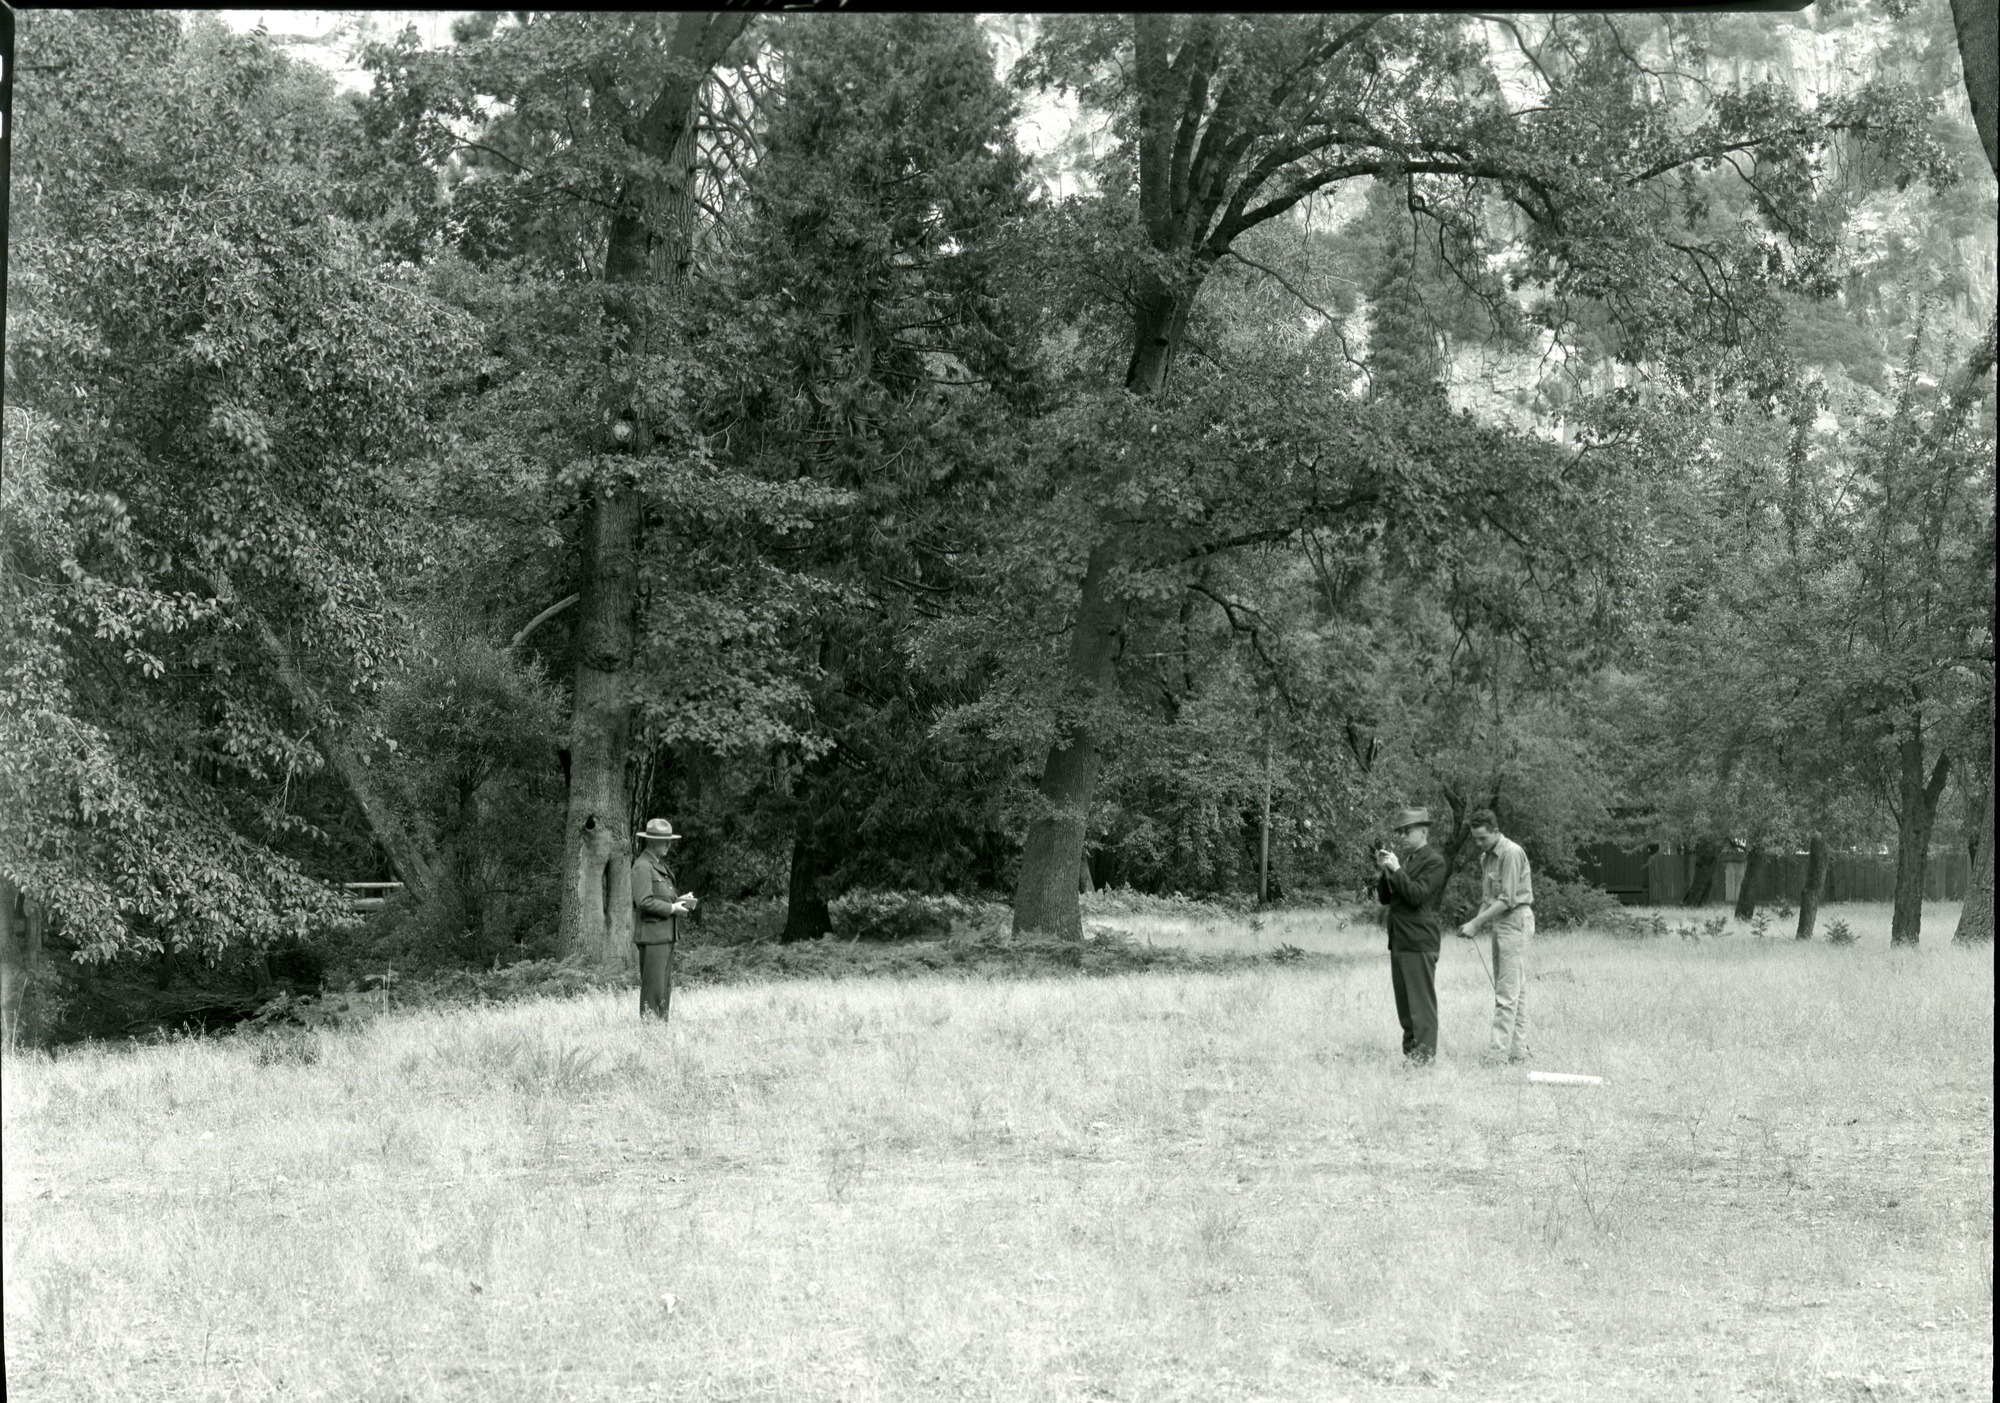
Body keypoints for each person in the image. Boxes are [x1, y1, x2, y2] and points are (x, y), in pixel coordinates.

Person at [1456, 809, 1534, 1065]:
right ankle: (1518, 1052)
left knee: (1506, 992)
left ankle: (1497, 1056)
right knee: (1513, 990)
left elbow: (1508, 899)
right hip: (1499, 922)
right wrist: (1475, 925)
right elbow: (1487, 899)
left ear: (1495, 830)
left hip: (1515, 921)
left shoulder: (1511, 853)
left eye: (1482, 838)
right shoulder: (1486, 857)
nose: (1478, 844)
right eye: (1475, 839)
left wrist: (1477, 923)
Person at [1375, 805, 1448, 1064]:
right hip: (1400, 940)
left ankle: (1425, 1061)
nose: (1404, 836)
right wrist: (1385, 870)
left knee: (1421, 1007)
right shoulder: (1406, 861)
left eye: (1408, 831)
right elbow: (1385, 898)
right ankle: (1412, 1058)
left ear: (1424, 831)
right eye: (1402, 832)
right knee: (1406, 1007)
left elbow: (1416, 896)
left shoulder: (1435, 861)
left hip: (1419, 941)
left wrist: (1396, 870)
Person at [632, 818, 696, 1018]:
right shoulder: (643, 866)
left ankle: (660, 1030)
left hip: (664, 936)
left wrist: (679, 900)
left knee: (663, 988)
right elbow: (643, 901)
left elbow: (660, 898)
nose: (669, 844)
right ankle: (651, 1031)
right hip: (652, 937)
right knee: (653, 989)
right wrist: (672, 908)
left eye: (670, 840)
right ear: (651, 841)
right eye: (665, 841)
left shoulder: (658, 865)